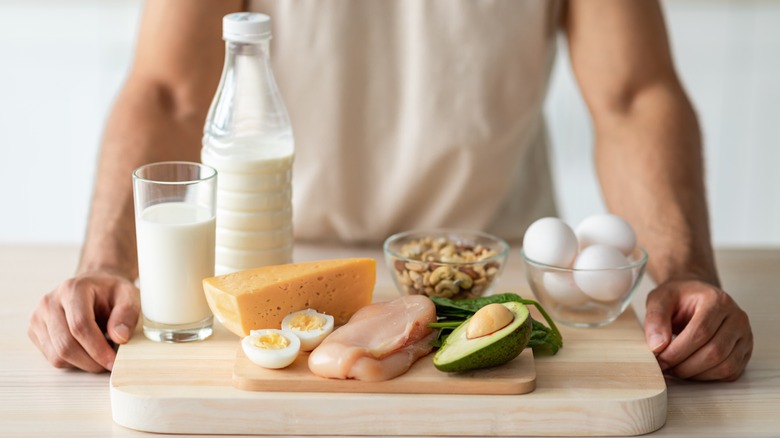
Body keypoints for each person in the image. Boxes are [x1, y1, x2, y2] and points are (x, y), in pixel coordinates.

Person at [28, 0, 753, 380]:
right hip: (279, 277)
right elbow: (167, 92)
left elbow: (634, 95)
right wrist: (105, 261)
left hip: (497, 283)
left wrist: (685, 273)